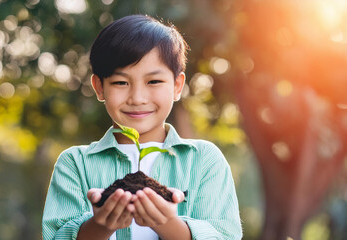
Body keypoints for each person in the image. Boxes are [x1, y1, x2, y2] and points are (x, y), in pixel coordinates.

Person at [42, 14, 242, 240]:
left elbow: (224, 235)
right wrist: (100, 224)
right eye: (120, 82)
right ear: (99, 87)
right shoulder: (76, 164)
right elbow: (56, 235)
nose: (137, 98)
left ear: (177, 86)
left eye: (153, 82)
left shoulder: (203, 160)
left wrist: (168, 224)